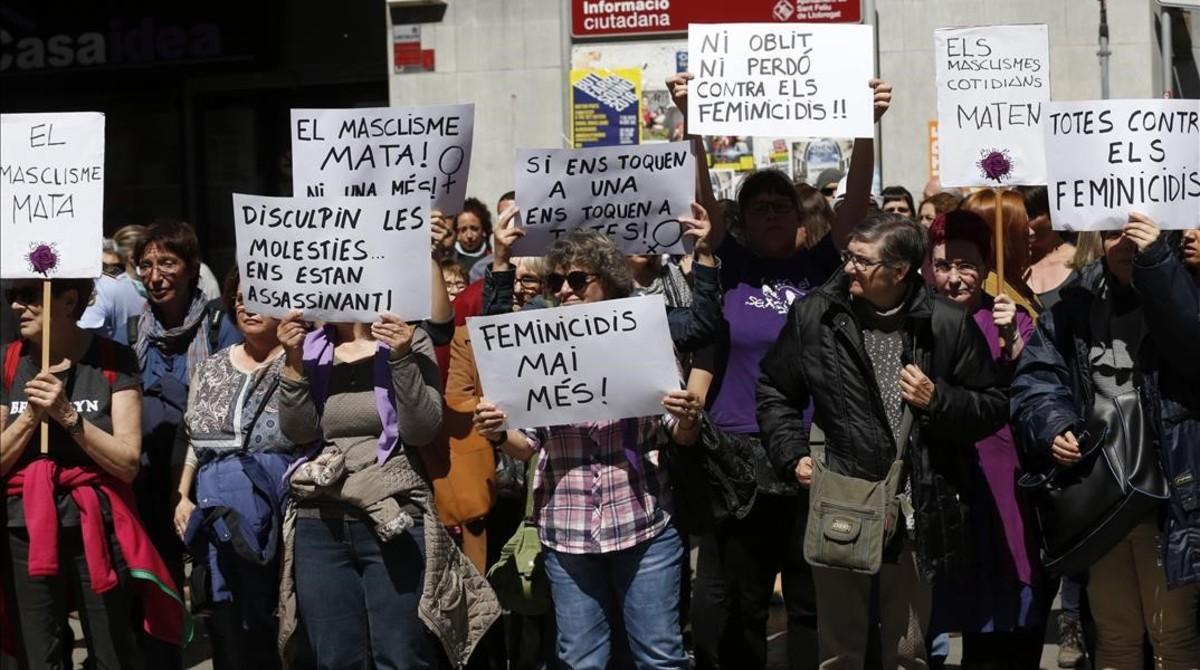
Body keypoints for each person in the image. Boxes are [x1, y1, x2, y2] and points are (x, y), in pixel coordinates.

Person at [668, 71, 892, 670]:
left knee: (809, 601)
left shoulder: (822, 265)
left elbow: (855, 206)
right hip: (736, 455)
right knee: (735, 603)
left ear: (800, 218)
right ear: (741, 220)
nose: (771, 214)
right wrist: (693, 119)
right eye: (758, 207)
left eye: (781, 206)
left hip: (813, 454)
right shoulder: (731, 262)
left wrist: (865, 128)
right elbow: (703, 201)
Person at [757, 213, 1007, 668]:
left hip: (916, 509)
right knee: (839, 653)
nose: (849, 268)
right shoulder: (815, 314)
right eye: (848, 257)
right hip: (841, 501)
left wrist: (938, 401)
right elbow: (775, 390)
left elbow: (992, 404)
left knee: (908, 651)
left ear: (899, 271)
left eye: (862, 261)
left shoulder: (946, 323)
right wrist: (791, 454)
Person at [472, 228, 708, 670]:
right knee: (581, 660)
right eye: (555, 282)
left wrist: (689, 417)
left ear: (608, 281)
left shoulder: (643, 336)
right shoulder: (539, 345)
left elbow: (678, 431)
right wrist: (500, 434)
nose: (564, 290)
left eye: (577, 280)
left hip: (644, 523)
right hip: (568, 530)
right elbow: (529, 446)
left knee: (660, 656)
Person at [1010, 214, 1200, 669]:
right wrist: (1054, 425)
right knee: (1115, 636)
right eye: (1116, 231)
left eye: (1140, 232)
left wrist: (1157, 264)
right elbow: (1037, 379)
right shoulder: (1076, 303)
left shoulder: (1187, 287)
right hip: (1105, 498)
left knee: (1172, 634)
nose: (1126, 242)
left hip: (1169, 497)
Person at [275, 303, 498, 668]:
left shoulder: (411, 339)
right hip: (321, 522)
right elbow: (300, 432)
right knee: (334, 657)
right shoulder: (308, 347)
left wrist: (401, 357)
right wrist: (294, 360)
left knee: (401, 654)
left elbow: (421, 429)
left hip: (394, 517)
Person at [1, 278, 187, 669]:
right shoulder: (8, 362)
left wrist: (68, 416)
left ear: (68, 301)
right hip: (24, 528)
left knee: (111, 650)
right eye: (12, 296)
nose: (18, 307)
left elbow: (127, 462)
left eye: (30, 296)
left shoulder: (113, 359)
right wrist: (31, 417)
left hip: (99, 527)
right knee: (39, 654)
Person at [927, 211, 1051, 668]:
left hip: (1004, 474)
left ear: (985, 265)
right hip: (946, 479)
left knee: (1014, 601)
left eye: (967, 264)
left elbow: (1041, 388)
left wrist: (1013, 342)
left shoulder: (1011, 317)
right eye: (943, 265)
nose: (955, 278)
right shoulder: (919, 319)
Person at [129, 219, 241, 669]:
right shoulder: (134, 329)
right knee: (157, 587)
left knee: (216, 591)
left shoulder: (220, 325)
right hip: (150, 482)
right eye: (146, 265)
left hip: (206, 481)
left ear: (192, 268)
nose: (155, 275)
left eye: (167, 263)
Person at [171, 270, 296, 670]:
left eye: (258, 297)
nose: (245, 305)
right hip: (216, 510)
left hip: (277, 508)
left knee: (273, 621)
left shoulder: (304, 361)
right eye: (239, 298)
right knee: (226, 621)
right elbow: (195, 436)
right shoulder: (212, 366)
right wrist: (183, 496)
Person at [960, 190, 1040, 314]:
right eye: (1022, 227)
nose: (1031, 233)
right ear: (1000, 234)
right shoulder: (990, 290)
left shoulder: (1012, 279)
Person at [1019, 186, 1076, 310]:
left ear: (1053, 214)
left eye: (1032, 215)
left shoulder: (1083, 261)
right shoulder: (1010, 267)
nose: (1023, 222)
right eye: (1018, 216)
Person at [80, 241, 147, 346]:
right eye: (103, 266)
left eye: (116, 266)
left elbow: (82, 334)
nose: (108, 271)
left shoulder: (105, 286)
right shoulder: (128, 286)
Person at [469, 191, 517, 282]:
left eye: (515, 217)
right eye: (504, 218)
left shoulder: (545, 263)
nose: (510, 223)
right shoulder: (481, 269)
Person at [452, 197, 493, 276]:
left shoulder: (492, 260)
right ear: (457, 233)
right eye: (463, 229)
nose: (469, 235)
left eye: (474, 229)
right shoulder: (449, 260)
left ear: (483, 230)